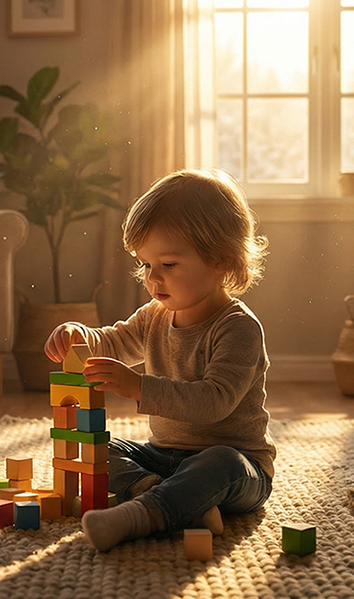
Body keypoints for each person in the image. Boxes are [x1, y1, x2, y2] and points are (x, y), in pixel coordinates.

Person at [44, 169, 276, 551]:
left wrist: (138, 387)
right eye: (145, 265)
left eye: (168, 265)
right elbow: (113, 342)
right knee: (97, 446)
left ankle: (142, 515)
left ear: (221, 260)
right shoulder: (154, 315)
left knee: (222, 462)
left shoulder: (238, 328)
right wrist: (80, 334)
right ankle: (171, 498)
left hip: (239, 467)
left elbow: (214, 403)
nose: (153, 279)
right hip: (164, 459)